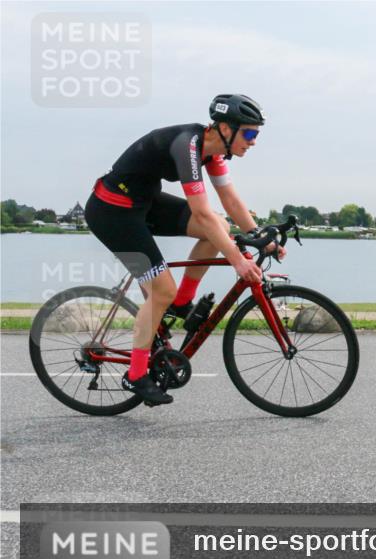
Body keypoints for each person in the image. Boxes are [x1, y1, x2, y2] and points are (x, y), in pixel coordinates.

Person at [84, 94, 285, 405]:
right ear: (224, 128)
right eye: (249, 133)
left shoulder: (214, 155)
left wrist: (260, 237)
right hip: (112, 212)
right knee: (161, 289)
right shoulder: (188, 146)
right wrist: (237, 261)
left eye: (256, 134)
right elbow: (201, 213)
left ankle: (182, 301)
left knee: (219, 227)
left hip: (144, 203)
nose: (253, 141)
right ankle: (136, 374)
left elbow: (229, 201)